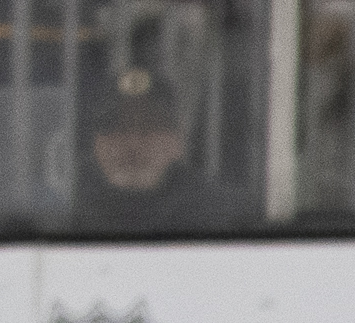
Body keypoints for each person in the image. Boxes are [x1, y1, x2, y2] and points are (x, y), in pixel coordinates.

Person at [78, 64, 251, 228]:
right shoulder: (70, 209)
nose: (133, 143)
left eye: (150, 126)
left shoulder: (223, 215)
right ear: (96, 143)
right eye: (117, 127)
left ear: (177, 141)